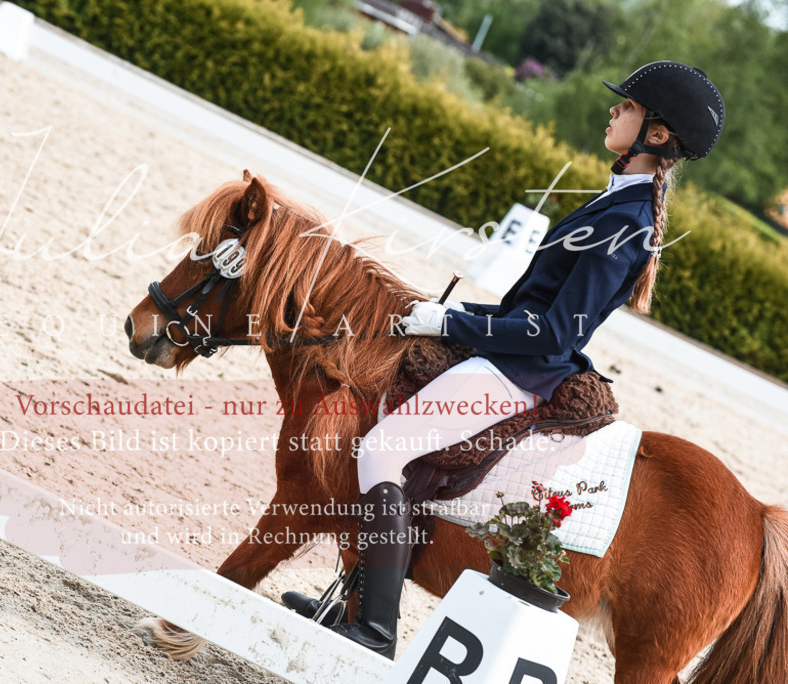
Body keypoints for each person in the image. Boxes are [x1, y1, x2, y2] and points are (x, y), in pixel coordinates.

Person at [281, 61, 725, 658]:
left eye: (626, 108)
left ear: (658, 134)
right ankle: (351, 601)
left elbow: (553, 332)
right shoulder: (616, 203)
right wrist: (449, 315)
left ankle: (375, 630)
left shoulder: (627, 221)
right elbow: (532, 305)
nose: (613, 112)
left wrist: (450, 321)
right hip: (510, 359)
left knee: (383, 447)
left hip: (520, 373)